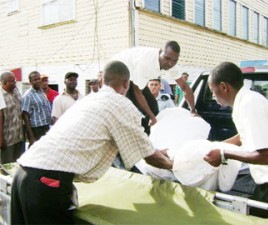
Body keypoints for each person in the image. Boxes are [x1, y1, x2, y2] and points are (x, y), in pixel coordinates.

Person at [11, 60, 173, 225]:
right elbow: (148, 155)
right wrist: (177, 165)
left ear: (103, 81)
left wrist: (158, 151)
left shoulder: (89, 100)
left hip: (22, 173)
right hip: (46, 181)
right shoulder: (121, 104)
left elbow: (145, 148)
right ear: (126, 83)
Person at [203, 62, 268, 217]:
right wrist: (210, 147)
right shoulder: (244, 102)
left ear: (223, 87)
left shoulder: (249, 104)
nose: (213, 97)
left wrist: (223, 154)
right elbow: (244, 136)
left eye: (212, 91)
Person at [112, 41, 197, 135]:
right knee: (136, 111)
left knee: (153, 107)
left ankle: (151, 137)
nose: (169, 63)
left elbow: (184, 87)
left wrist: (193, 110)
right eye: (167, 58)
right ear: (160, 52)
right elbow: (137, 92)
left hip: (133, 77)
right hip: (117, 72)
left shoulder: (171, 65)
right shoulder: (146, 63)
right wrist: (152, 117)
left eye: (174, 60)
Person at [22, 71, 52, 147]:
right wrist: (31, 136)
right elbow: (25, 116)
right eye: (35, 80)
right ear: (30, 82)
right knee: (36, 151)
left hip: (45, 126)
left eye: (39, 79)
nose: (38, 81)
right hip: (36, 129)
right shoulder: (28, 95)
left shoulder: (41, 92)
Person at [0, 72, 24, 164]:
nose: (15, 82)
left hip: (19, 136)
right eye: (12, 81)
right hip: (7, 139)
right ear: (4, 83)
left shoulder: (15, 90)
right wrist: (1, 138)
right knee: (7, 166)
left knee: (18, 165)